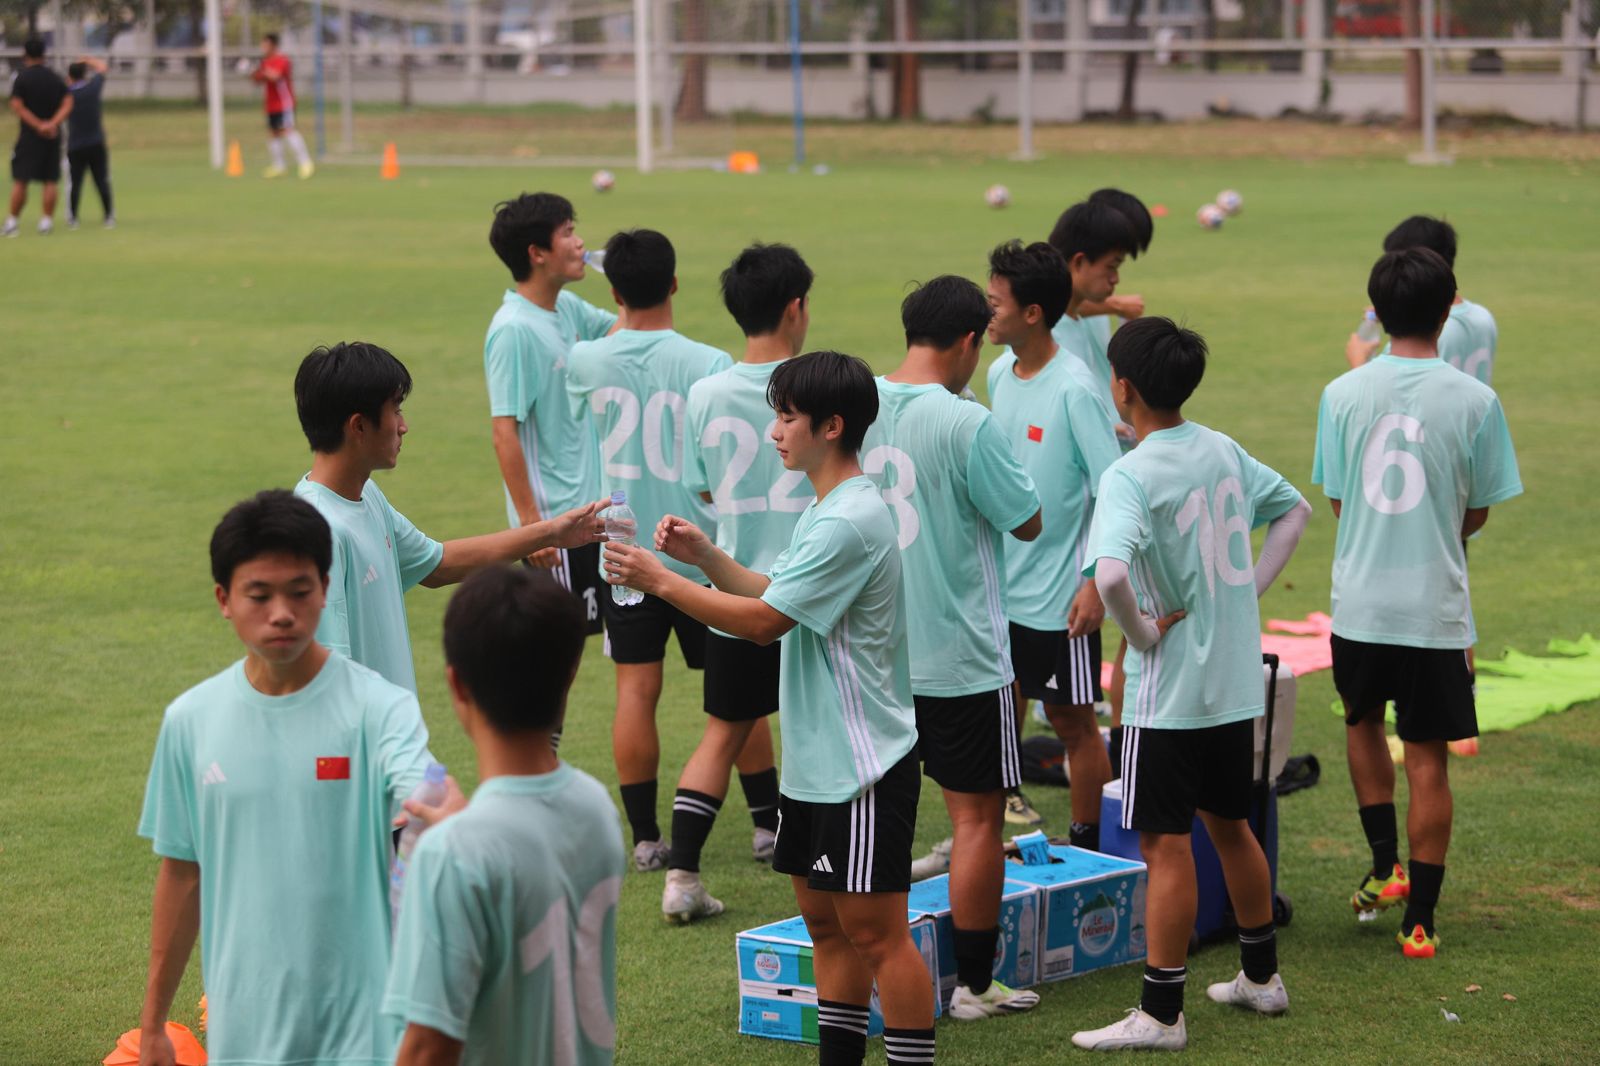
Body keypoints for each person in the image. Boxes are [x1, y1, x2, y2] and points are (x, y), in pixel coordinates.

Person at [604, 351, 937, 1066]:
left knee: (880, 935)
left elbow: (762, 624)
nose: (775, 431)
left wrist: (662, 580)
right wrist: (702, 556)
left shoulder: (848, 520)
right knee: (825, 928)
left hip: (863, 766)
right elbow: (767, 591)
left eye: (787, 417)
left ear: (832, 425)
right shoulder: (827, 511)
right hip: (817, 765)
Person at [1072, 317, 1311, 1051]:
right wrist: (1246, 594)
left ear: (1124, 388)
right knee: (1232, 826)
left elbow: (1109, 574)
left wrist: (1140, 635)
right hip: (1233, 682)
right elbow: (1294, 511)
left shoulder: (1130, 472)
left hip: (1168, 693)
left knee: (1165, 845)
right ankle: (1262, 978)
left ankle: (1163, 1014)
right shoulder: (1221, 447)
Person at [137, 490, 439, 1065]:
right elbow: (181, 872)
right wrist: (153, 1025)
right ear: (224, 599)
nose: (282, 612)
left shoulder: (381, 709)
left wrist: (441, 810)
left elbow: (424, 796)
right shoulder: (189, 722)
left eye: (300, 592)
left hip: (365, 1032)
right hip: (242, 1033)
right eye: (259, 594)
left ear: (326, 589)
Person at [1314, 248, 1521, 959]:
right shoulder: (1475, 399)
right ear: (1448, 309)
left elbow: (1339, 500)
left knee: (1361, 722)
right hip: (1434, 610)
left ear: (1377, 305)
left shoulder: (1342, 392)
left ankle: (1384, 865)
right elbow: (1479, 513)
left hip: (1362, 606)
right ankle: (1421, 921)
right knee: (1428, 758)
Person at [867, 275, 1044, 1020]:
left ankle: (876, 970)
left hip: (877, 657)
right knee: (976, 820)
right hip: (964, 656)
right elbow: (1027, 520)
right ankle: (974, 986)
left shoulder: (857, 401)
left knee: (883, 820)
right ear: (970, 342)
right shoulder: (967, 422)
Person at [383, 566, 627, 1066]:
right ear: (570, 674)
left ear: (457, 685)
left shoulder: (452, 854)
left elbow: (428, 1049)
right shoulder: (596, 806)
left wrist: (458, 842)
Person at [293, 341, 607, 696]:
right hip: (370, 745)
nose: (403, 426)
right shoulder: (317, 532)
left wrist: (551, 532)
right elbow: (329, 675)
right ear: (358, 427)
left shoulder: (366, 497)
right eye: (395, 411)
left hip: (394, 736)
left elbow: (439, 564)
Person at [564, 229, 734, 872]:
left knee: (636, 689)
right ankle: (767, 824)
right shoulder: (709, 361)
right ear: (675, 284)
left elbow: (605, 357)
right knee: (730, 689)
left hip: (624, 548)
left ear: (612, 293)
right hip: (696, 547)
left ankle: (643, 836)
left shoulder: (586, 361)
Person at [662, 242, 813, 922]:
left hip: (731, 589)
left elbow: (700, 484)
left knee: (722, 731)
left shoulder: (706, 391)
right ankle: (820, 857)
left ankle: (682, 876)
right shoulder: (817, 382)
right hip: (812, 589)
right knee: (820, 730)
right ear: (795, 308)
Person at [984, 240, 1121, 846]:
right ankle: (1004, 811)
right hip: (1002, 590)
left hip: (1058, 600)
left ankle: (1089, 844)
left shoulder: (1075, 388)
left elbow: (1113, 489)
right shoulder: (996, 373)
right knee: (1000, 704)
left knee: (1073, 724)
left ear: (1032, 312)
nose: (986, 314)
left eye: (995, 303)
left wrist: (1094, 581)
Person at [485, 192, 618, 634]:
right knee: (557, 656)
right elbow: (505, 431)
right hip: (555, 525)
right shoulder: (514, 331)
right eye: (568, 234)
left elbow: (625, 333)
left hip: (587, 516)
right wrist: (532, 526)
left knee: (577, 649)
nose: (580, 243)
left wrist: (631, 278)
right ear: (537, 254)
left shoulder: (566, 307)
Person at [1345, 216, 1498, 385]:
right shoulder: (1483, 316)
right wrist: (1396, 313)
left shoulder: (1419, 337)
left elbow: (1389, 397)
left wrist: (1357, 361)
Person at [1046, 199, 1144, 438]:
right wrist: (1100, 432)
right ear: (1079, 262)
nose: (1116, 279)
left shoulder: (1075, 320)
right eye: (1111, 267)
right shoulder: (1043, 339)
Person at [5, 38, 72, 238]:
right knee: (50, 179)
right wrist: (52, 123)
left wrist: (38, 125)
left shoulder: (22, 78)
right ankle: (46, 221)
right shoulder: (55, 77)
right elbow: (68, 102)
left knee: (21, 179)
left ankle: (12, 222)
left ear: (25, 55)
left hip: (29, 136)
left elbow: (17, 106)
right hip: (52, 136)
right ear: (44, 54)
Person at [250, 34, 313, 179]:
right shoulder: (265, 62)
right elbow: (257, 81)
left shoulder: (282, 60)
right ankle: (279, 166)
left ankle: (305, 163)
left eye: (265, 45)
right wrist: (250, 71)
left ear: (273, 45)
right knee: (274, 134)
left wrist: (262, 69)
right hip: (271, 105)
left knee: (288, 131)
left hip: (284, 103)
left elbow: (276, 76)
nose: (262, 48)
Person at [65, 56, 113, 228]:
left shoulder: (68, 94)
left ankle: (73, 219)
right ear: (85, 75)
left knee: (75, 182)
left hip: (75, 144)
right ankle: (108, 217)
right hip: (96, 142)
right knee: (101, 180)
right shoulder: (93, 89)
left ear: (69, 76)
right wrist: (87, 59)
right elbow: (102, 68)